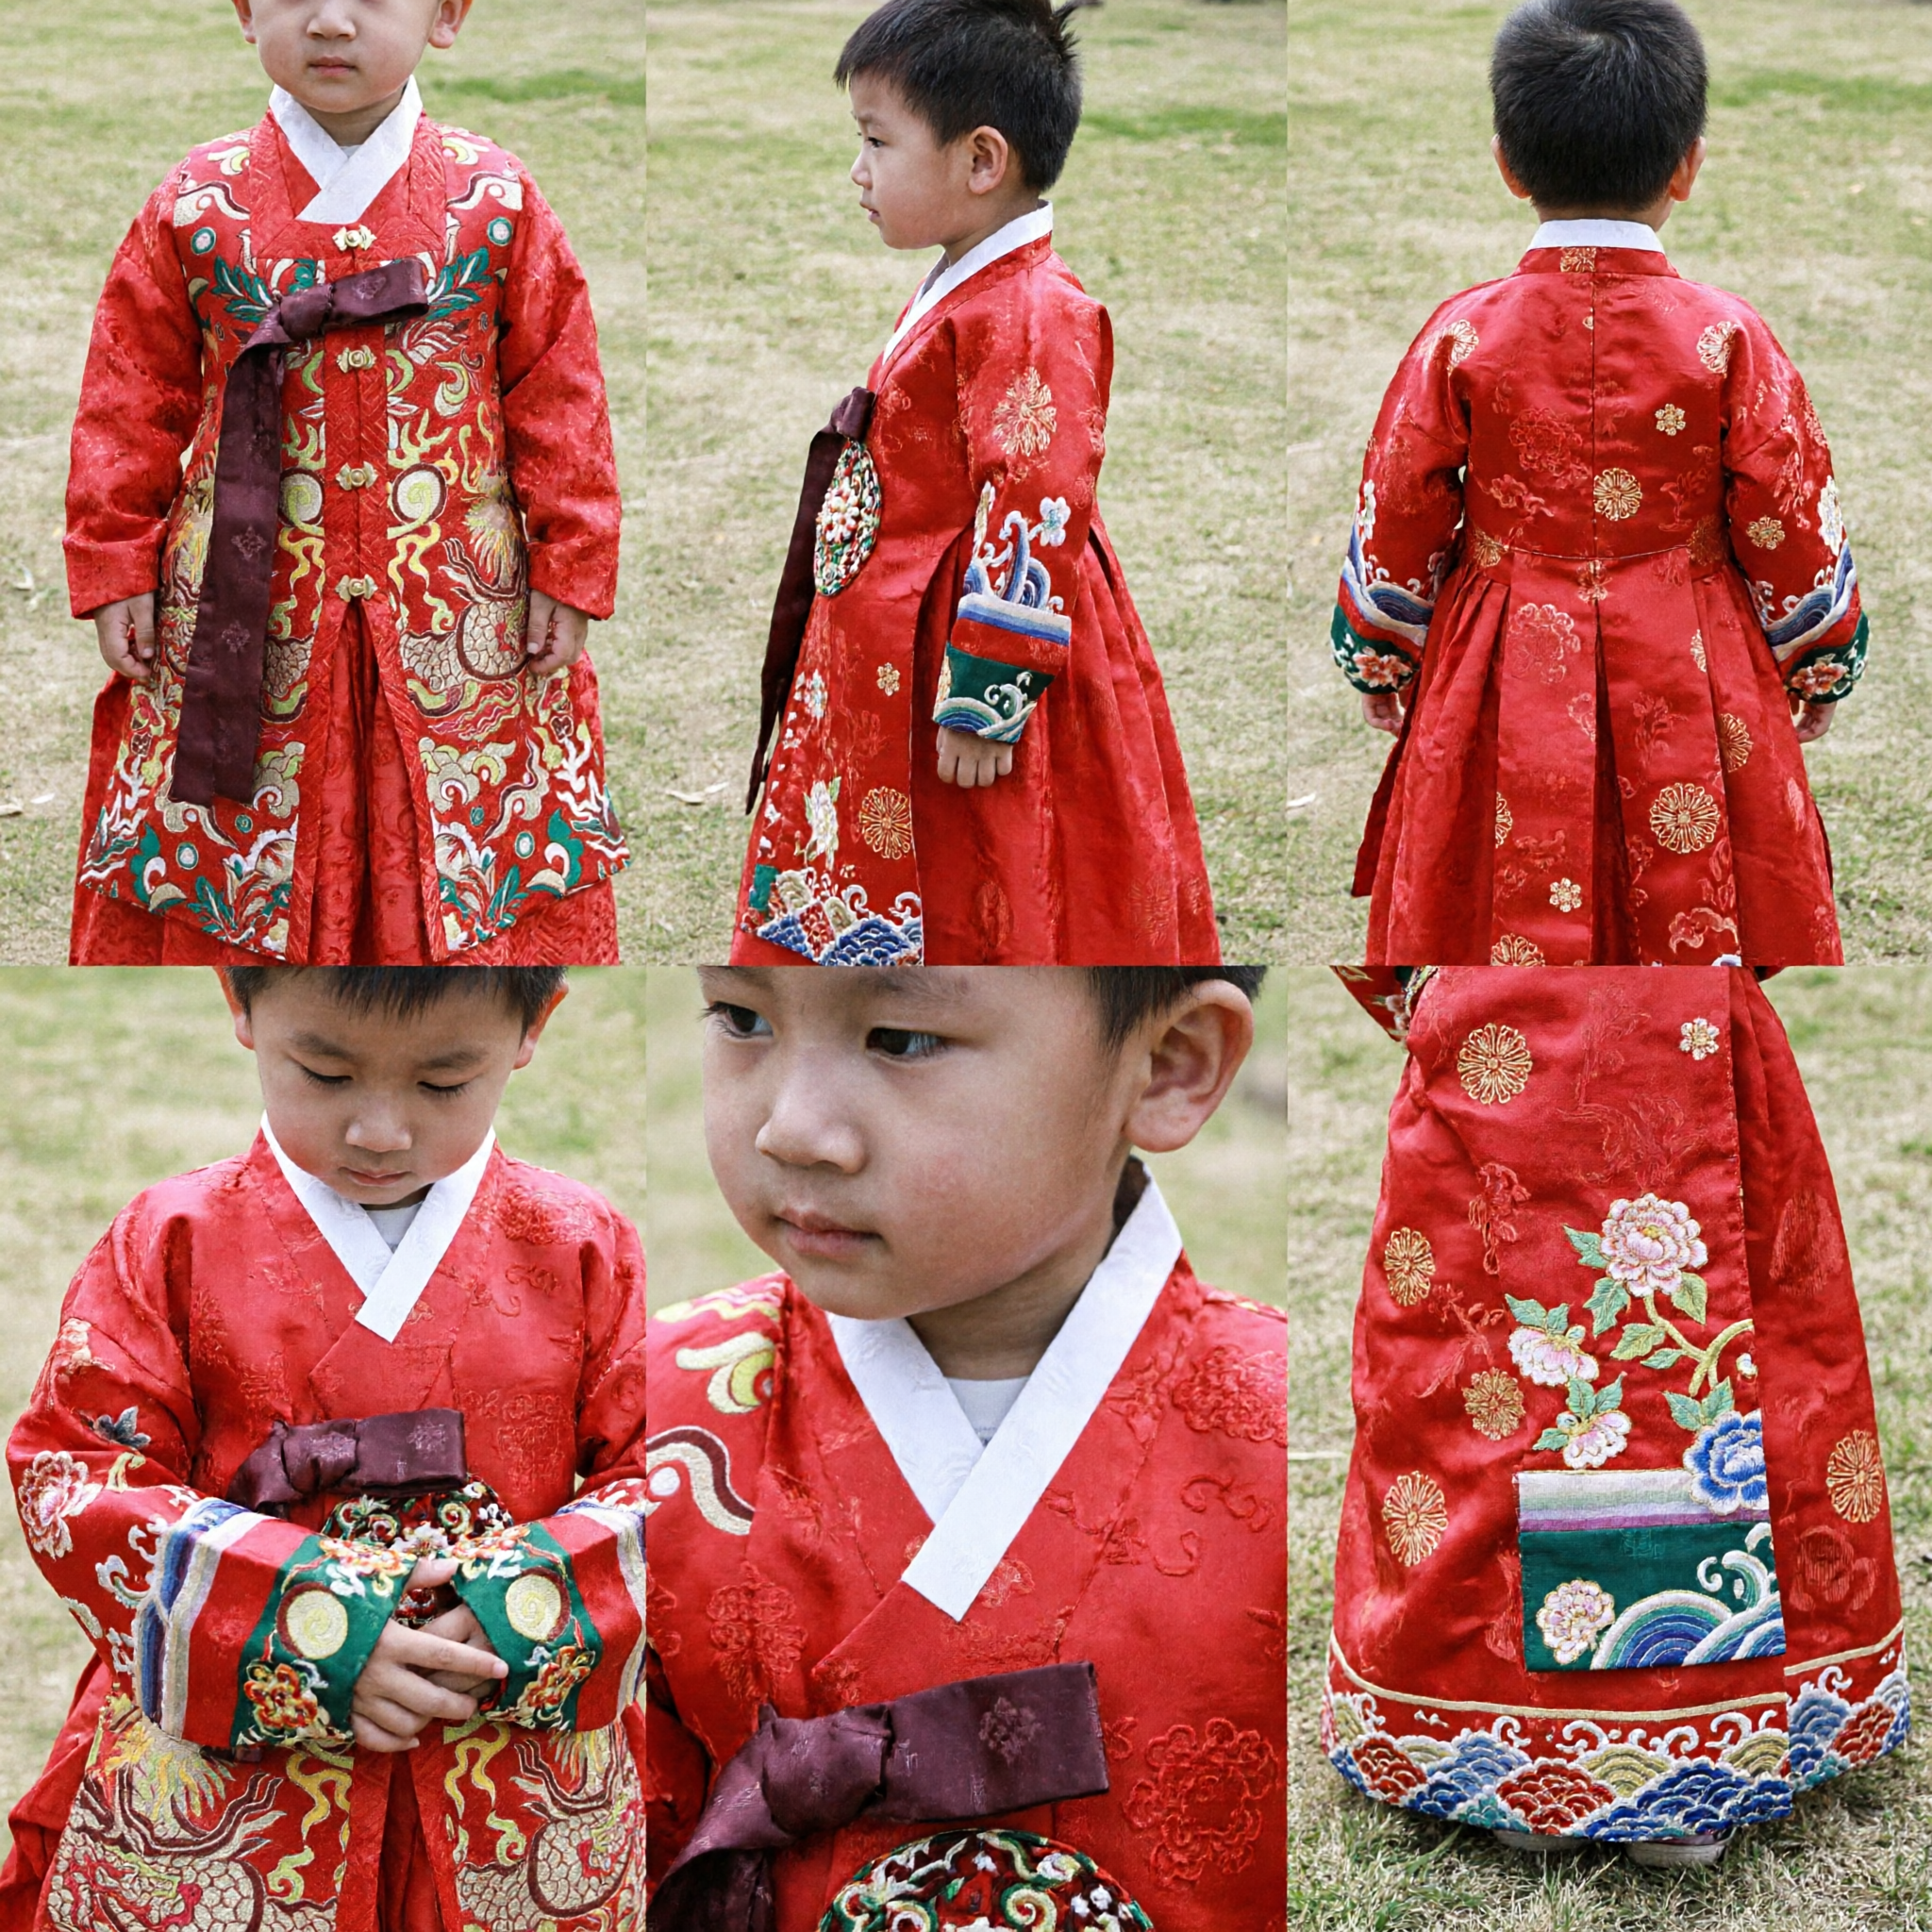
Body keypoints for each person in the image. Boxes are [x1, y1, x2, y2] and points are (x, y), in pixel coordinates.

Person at [1, 967, 650, 1931]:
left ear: (532, 1025)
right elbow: (77, 1469)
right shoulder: (170, 1238)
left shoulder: (580, 1244)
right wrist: (298, 1620)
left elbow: (664, 1471)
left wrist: (526, 1602)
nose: (379, 1130)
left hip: (508, 1768)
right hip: (230, 1790)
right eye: (324, 1071)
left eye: (441, 1083)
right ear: (241, 1004)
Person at [643, 967, 1284, 1928]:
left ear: (1165, 1063)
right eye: (740, 1016)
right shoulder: (657, 1410)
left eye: (898, 1037)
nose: (790, 1127)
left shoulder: (1280, 1432)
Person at [66, 0, 626, 967]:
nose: (330, 21)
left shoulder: (496, 199)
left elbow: (557, 389)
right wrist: (115, 561)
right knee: (235, 844)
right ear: (245, 13)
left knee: (459, 843)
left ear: (446, 15)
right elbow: (131, 391)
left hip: (458, 609)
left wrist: (570, 562)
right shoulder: (196, 204)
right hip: (241, 615)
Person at [1322, 965, 1907, 1867]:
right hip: (1650, 1031)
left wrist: (1422, 993)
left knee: (1507, 1402)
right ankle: (1610, 1739)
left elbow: (1414, 889)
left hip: (1528, 1031)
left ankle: (1571, 1735)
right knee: (1515, 1383)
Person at [1332, 0, 1865, 967]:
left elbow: (1399, 506)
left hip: (1495, 650)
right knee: (1688, 882)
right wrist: (1815, 657)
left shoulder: (1462, 334)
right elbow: (1788, 513)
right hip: (1690, 647)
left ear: (1506, 162)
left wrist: (1383, 652)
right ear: (1686, 167)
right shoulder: (1727, 337)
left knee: (1498, 882)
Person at [734, 0, 1218, 967]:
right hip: (889, 635)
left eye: (876, 141)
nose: (857, 171)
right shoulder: (965, 277)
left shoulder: (1036, 309)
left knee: (978, 849)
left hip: (956, 644)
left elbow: (1037, 489)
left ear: (980, 160)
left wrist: (987, 690)